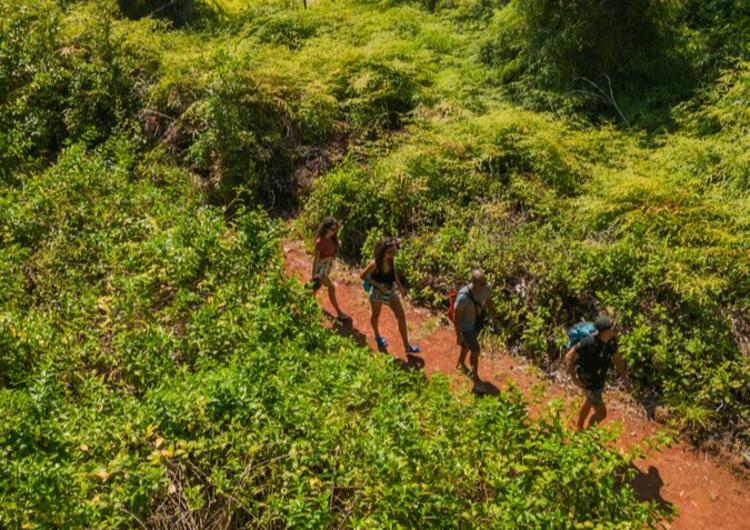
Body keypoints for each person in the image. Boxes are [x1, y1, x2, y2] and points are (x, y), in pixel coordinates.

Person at [565, 315, 631, 430]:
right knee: (601, 413)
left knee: (589, 401)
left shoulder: (611, 342)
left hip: (599, 377)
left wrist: (625, 378)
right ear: (605, 331)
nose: (616, 328)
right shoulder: (589, 342)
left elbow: (617, 359)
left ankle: (579, 427)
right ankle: (588, 434)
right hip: (588, 378)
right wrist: (575, 379)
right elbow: (569, 356)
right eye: (612, 327)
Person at [360, 238, 420, 354]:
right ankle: (377, 335)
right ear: (383, 252)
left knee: (401, 316)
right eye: (390, 252)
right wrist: (378, 285)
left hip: (390, 291)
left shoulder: (390, 260)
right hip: (377, 294)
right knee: (376, 316)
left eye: (394, 252)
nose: (392, 255)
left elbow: (394, 273)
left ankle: (407, 346)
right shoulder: (374, 264)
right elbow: (362, 276)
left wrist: (400, 287)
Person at [452, 269, 499, 388]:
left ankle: (460, 362)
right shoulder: (463, 297)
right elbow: (456, 317)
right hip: (466, 326)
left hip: (477, 322)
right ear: (473, 282)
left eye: (485, 282)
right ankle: (475, 377)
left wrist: (494, 319)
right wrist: (458, 335)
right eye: (481, 283)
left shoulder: (486, 289)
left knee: (468, 345)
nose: (485, 285)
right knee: (475, 350)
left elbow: (489, 302)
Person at [311, 217, 349, 321]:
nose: (334, 231)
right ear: (326, 228)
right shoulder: (319, 242)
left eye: (335, 229)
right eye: (332, 229)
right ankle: (339, 313)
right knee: (331, 288)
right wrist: (314, 275)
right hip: (321, 268)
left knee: (316, 285)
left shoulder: (332, 238)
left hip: (327, 266)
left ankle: (310, 299)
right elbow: (316, 260)